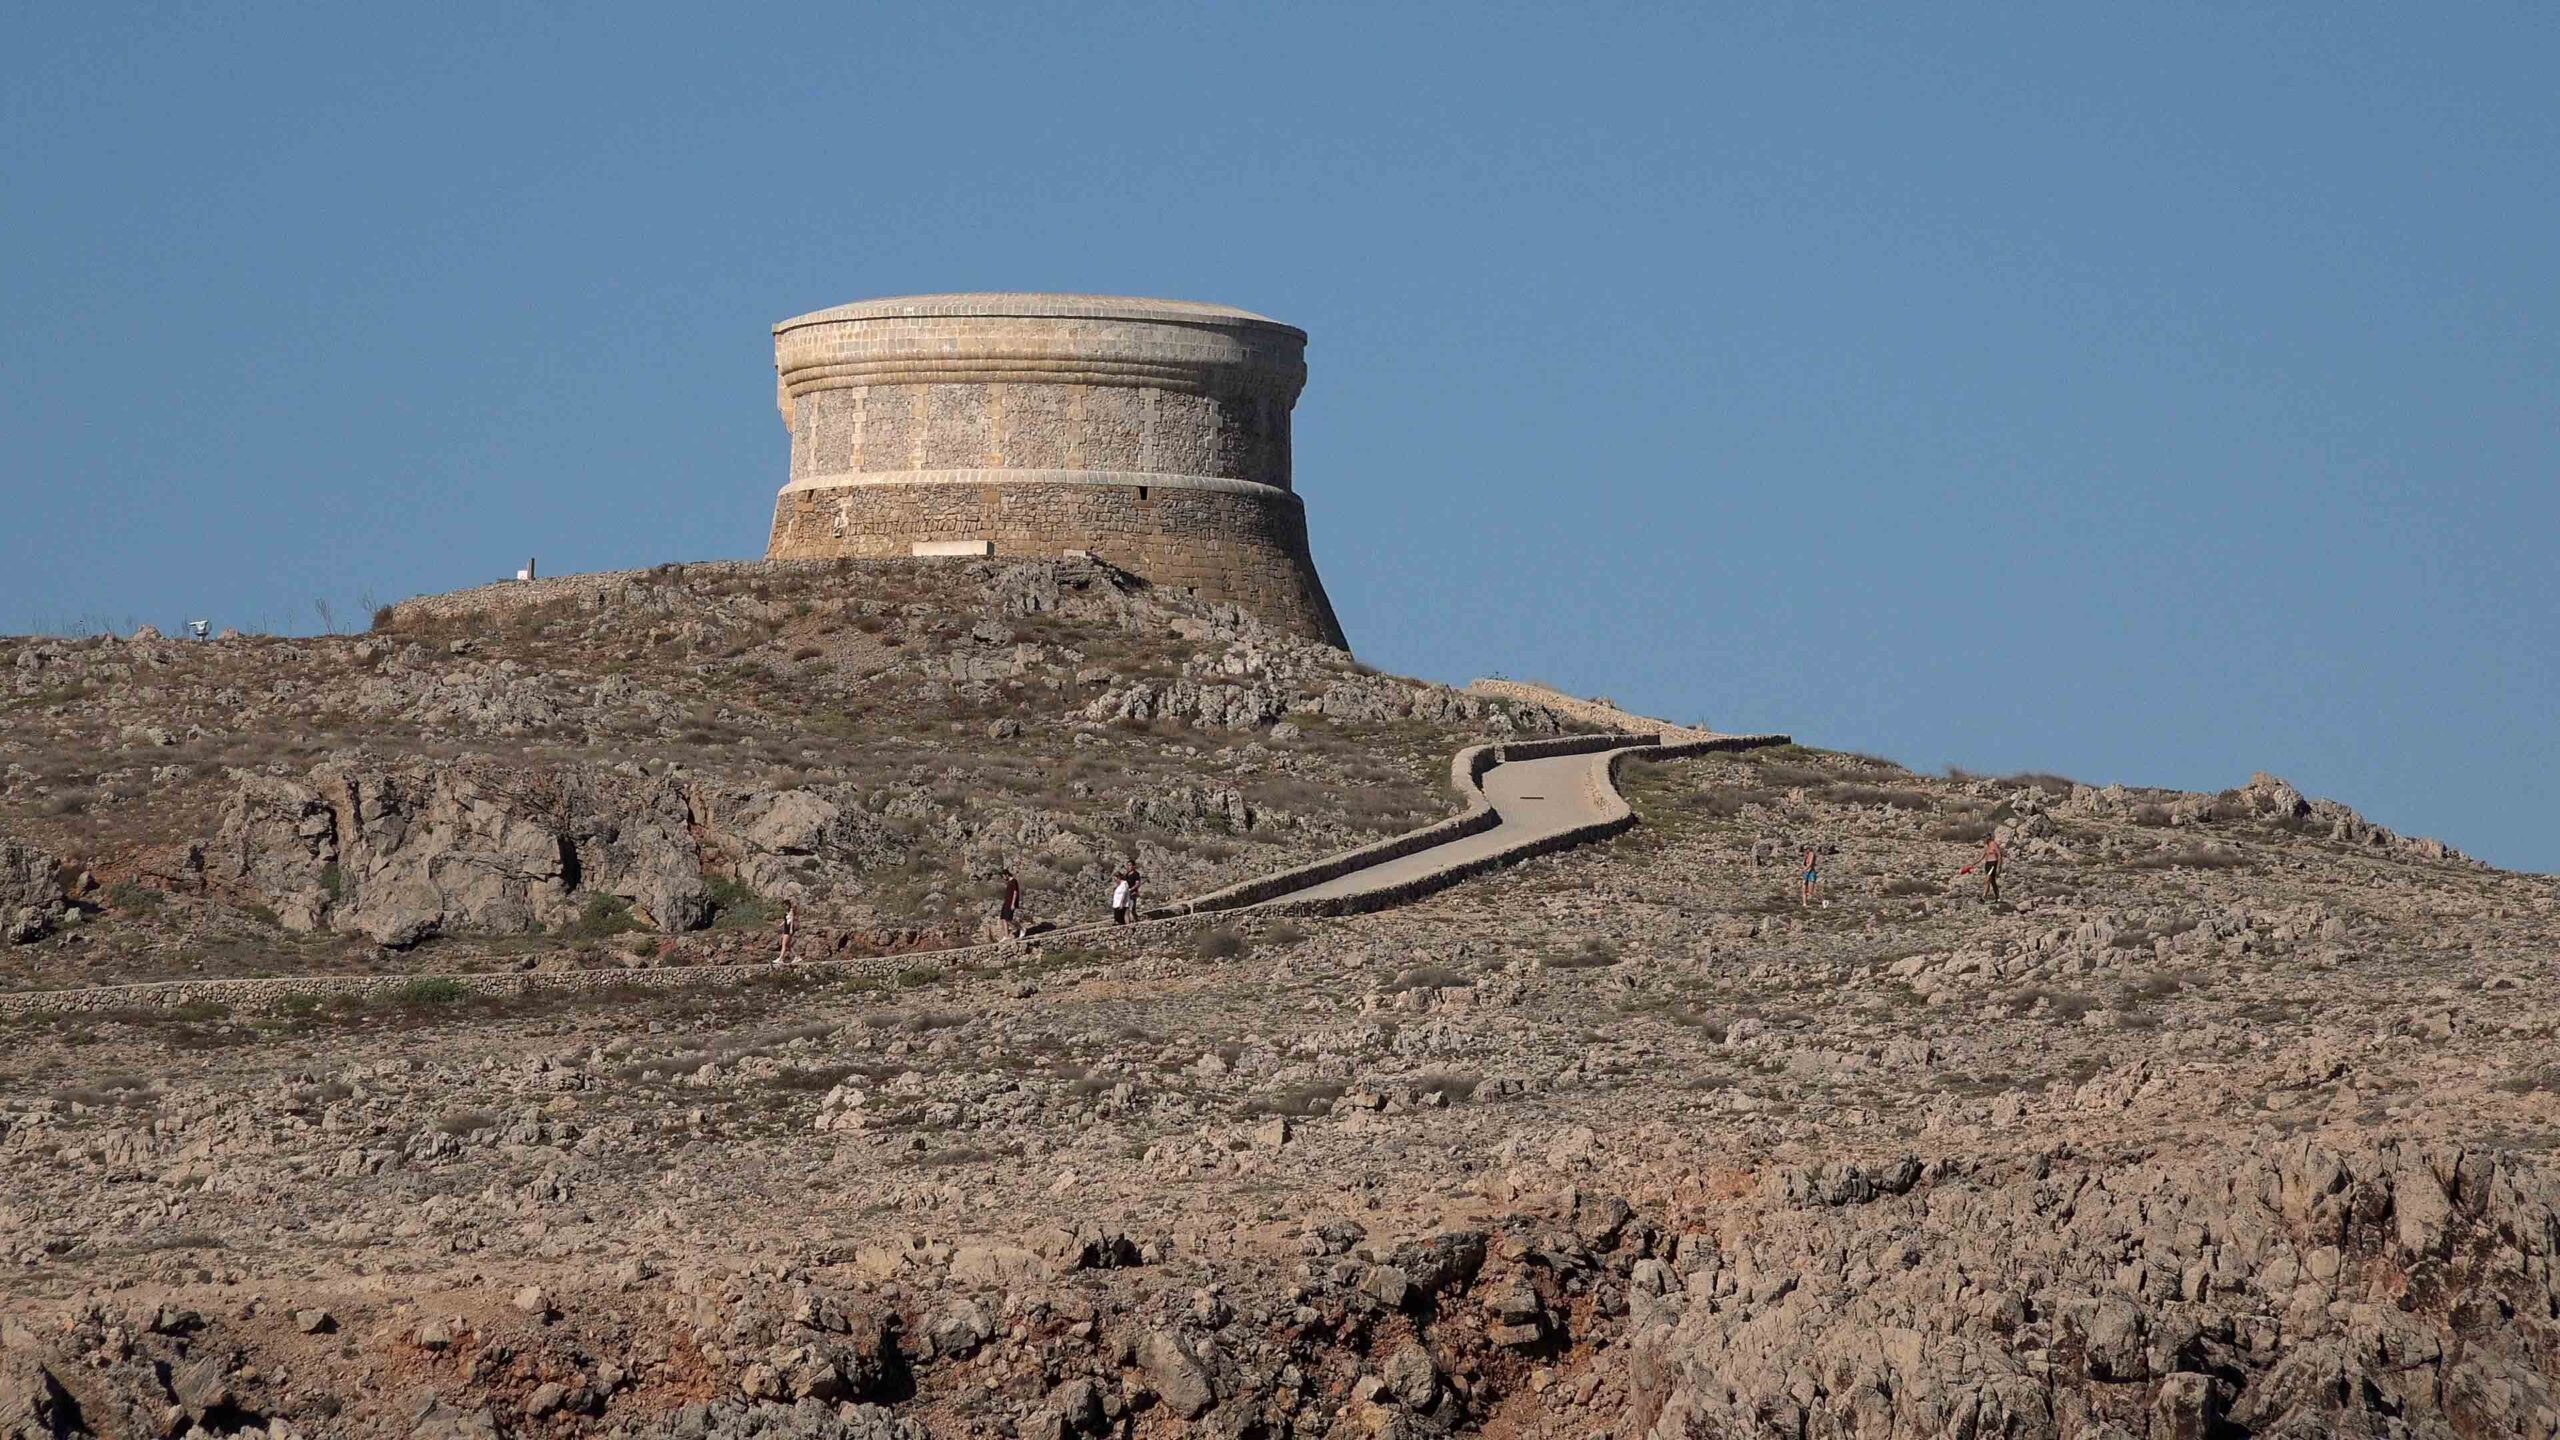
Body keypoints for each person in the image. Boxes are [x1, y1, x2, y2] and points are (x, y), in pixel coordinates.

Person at [1979, 835, 2004, 900]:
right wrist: (1973, 863)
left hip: (1993, 863)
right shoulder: (1986, 846)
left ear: (1988, 838)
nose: (1983, 840)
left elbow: (1999, 855)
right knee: (1992, 881)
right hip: (1987, 864)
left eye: (1984, 838)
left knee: (1987, 880)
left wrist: (1999, 866)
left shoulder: (1993, 844)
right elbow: (1982, 856)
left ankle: (1983, 897)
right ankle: (1997, 896)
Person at [999, 868, 1022, 938]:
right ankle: (1006, 936)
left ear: (1006, 875)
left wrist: (1013, 903)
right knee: (1003, 918)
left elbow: (1015, 892)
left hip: (1010, 903)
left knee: (1009, 919)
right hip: (1006, 902)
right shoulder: (1009, 882)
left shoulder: (1013, 881)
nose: (1003, 878)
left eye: (1003, 876)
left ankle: (1021, 929)